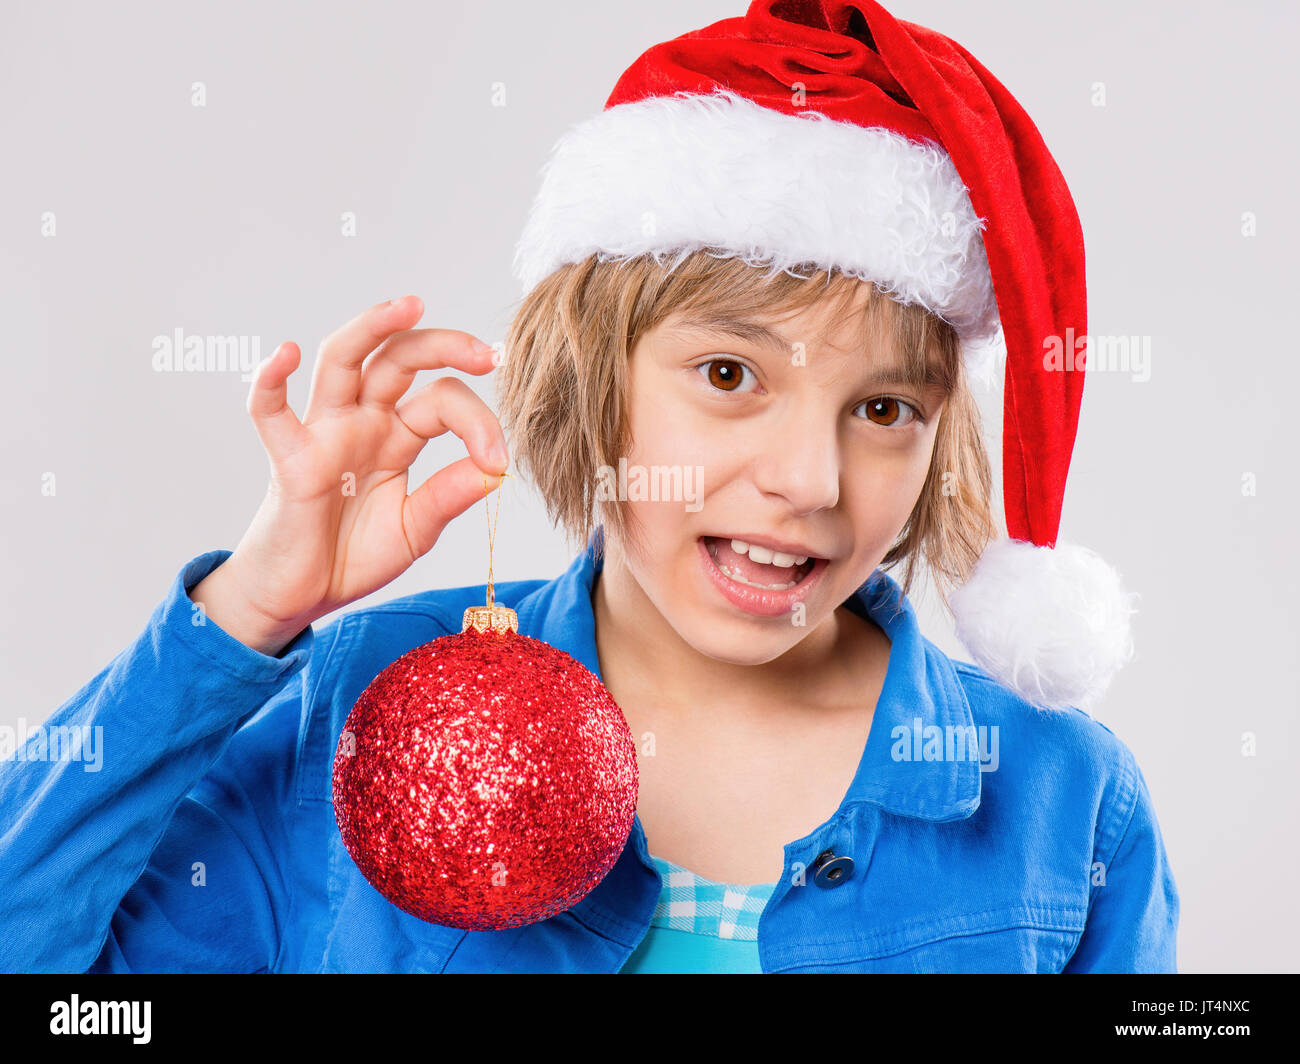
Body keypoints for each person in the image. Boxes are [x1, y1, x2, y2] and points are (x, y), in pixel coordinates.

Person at [0, 0, 1177, 973]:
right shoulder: (361, 717)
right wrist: (243, 616)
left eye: (882, 410)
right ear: (592, 380)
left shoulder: (1061, 803)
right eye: (728, 373)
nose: (809, 480)